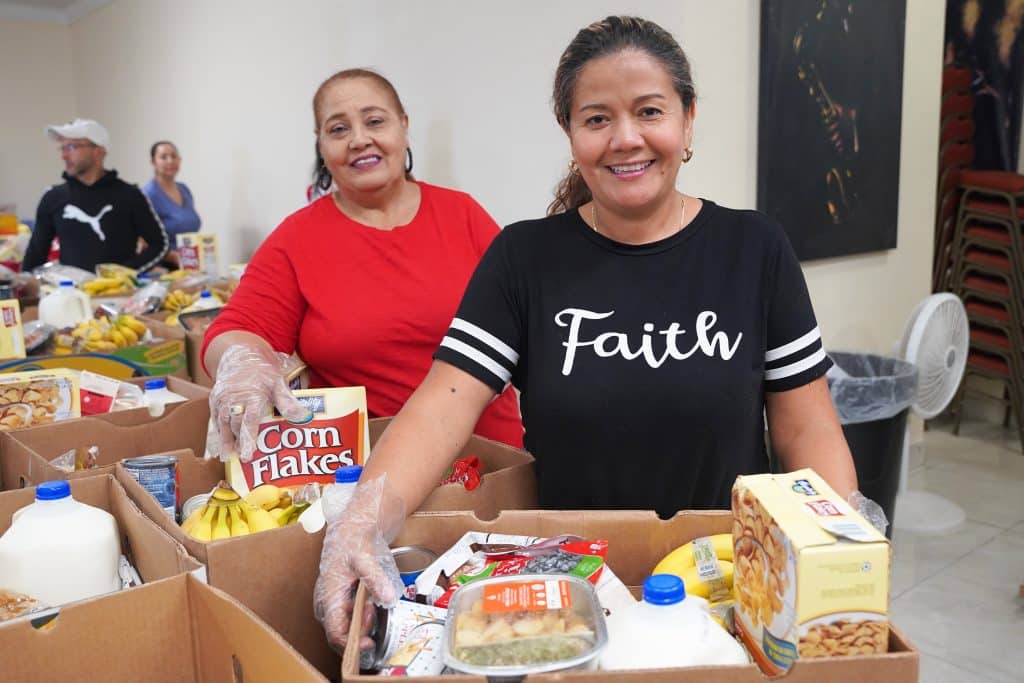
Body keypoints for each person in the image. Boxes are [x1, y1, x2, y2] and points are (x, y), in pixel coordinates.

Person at [312, 16, 876, 653]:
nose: (626, 139)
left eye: (650, 111)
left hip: (732, 593)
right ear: (571, 133)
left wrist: (840, 546)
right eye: (598, 118)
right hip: (573, 603)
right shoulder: (524, 258)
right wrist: (361, 522)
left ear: (687, 121)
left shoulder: (755, 249)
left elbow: (806, 426)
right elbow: (442, 408)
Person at [202, 68, 524, 466]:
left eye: (375, 121)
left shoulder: (463, 215)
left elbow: (528, 320)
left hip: (493, 470)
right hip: (367, 480)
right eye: (338, 130)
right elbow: (234, 330)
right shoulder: (297, 239)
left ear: (403, 127)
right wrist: (242, 362)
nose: (359, 139)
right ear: (321, 146)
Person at [22, 118, 169, 273]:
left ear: (98, 151)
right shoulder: (53, 198)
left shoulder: (129, 195)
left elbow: (160, 244)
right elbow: (35, 254)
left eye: (72, 147)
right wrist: (23, 284)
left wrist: (126, 272)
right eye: (62, 149)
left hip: (121, 293)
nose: (64, 156)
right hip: (71, 293)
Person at [142, 141, 201, 267]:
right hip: (162, 269)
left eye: (174, 156)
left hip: (191, 264)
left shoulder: (184, 190)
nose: (170, 161)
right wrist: (173, 257)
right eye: (163, 157)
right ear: (153, 162)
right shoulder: (148, 194)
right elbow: (143, 241)